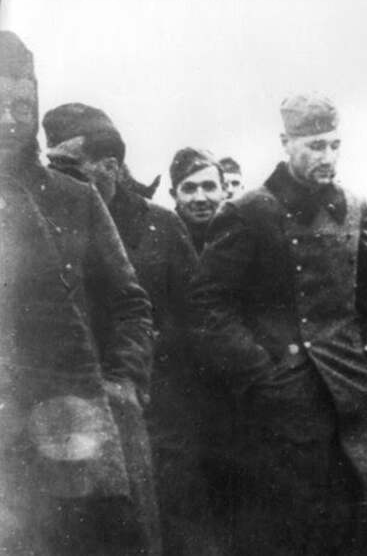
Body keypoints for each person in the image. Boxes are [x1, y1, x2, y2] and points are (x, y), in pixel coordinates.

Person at [188, 93, 367, 556]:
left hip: (352, 382)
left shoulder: (353, 204)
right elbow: (209, 305)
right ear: (286, 143)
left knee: (365, 514)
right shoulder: (248, 211)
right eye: (315, 146)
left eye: (335, 145)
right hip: (287, 396)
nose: (328, 156)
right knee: (303, 524)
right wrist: (260, 372)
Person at [0, 31, 158, 555]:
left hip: (71, 428)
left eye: (22, 106)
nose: (10, 120)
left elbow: (131, 303)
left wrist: (123, 382)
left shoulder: (73, 198)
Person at [43, 105, 221, 554]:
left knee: (180, 527)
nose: (56, 178)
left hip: (167, 410)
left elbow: (199, 314)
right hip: (89, 409)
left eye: (70, 167)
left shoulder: (161, 225)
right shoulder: (52, 226)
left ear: (110, 167)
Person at [169, 148, 228, 253]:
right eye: (189, 189)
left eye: (209, 187)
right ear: (174, 195)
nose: (200, 198)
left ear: (224, 190)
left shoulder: (242, 239)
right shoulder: (163, 242)